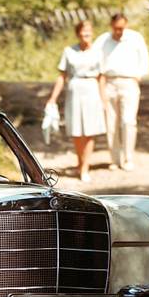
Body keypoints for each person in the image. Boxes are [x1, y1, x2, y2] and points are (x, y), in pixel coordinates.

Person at [44, 20, 106, 182]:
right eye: (83, 32)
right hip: (75, 90)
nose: (86, 35)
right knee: (77, 131)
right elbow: (61, 77)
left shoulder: (99, 52)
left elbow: (101, 78)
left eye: (89, 32)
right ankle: (80, 162)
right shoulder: (69, 51)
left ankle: (85, 167)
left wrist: (103, 99)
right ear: (78, 34)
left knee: (90, 131)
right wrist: (52, 98)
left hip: (91, 89)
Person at [96, 12, 149, 171]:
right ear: (111, 26)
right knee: (111, 122)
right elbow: (96, 60)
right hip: (110, 82)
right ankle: (114, 159)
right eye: (116, 28)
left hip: (129, 82)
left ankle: (128, 158)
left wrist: (138, 76)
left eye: (122, 28)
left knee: (128, 121)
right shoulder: (103, 40)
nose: (119, 31)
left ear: (126, 25)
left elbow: (144, 59)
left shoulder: (135, 38)